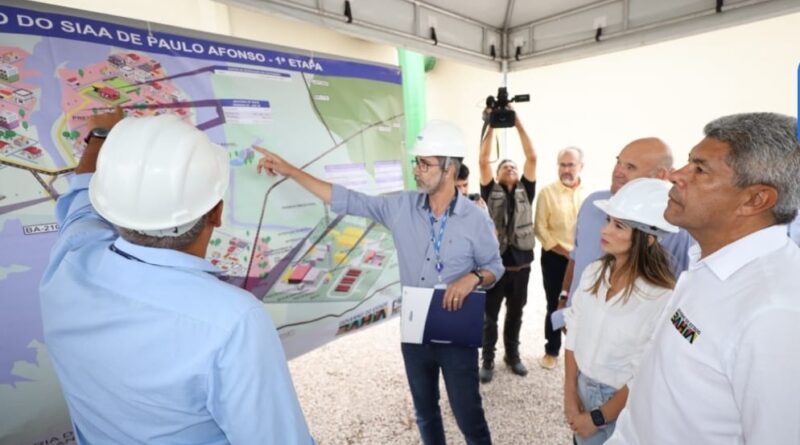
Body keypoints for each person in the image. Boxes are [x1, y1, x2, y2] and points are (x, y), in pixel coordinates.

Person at [39, 111, 314, 444]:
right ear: (216, 212)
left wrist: (100, 135)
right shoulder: (234, 320)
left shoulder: (71, 260)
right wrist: (103, 136)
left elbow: (81, 201)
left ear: (109, 209)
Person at [254, 120, 504, 445]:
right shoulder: (400, 207)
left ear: (449, 169)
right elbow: (348, 199)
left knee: (468, 415)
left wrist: (473, 278)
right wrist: (290, 170)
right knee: (426, 413)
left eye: (424, 164)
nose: (416, 170)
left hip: (456, 333)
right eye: (416, 162)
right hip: (414, 333)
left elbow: (494, 266)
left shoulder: (476, 218)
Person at [608, 112, 800, 444]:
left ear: (755, 199)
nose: (675, 175)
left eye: (700, 169)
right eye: (688, 162)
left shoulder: (776, 314)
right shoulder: (710, 261)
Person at [552, 138, 694, 353]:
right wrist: (564, 301)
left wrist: (692, 344)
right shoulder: (591, 205)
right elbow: (576, 257)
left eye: (630, 167)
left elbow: (686, 321)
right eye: (618, 162)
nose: (617, 172)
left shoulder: (679, 228)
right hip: (579, 331)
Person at [563, 178, 677, 444]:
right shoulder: (593, 272)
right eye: (608, 221)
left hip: (620, 404)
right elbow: (574, 332)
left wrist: (598, 418)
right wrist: (569, 393)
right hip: (580, 387)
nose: (605, 230)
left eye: (618, 225)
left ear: (648, 239)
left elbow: (645, 372)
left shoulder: (660, 298)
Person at [478, 115, 538, 382]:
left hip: (521, 268)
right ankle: (487, 359)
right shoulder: (489, 190)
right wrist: (493, 123)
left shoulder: (527, 189)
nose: (510, 168)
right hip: (494, 268)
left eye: (513, 166)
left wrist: (517, 123)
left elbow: (532, 156)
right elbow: (483, 160)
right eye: (505, 166)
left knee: (516, 314)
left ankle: (512, 356)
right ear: (497, 174)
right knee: (489, 317)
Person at [534, 147, 584, 370]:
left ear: (581, 166)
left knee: (582, 303)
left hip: (582, 260)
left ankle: (579, 351)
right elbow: (540, 229)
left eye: (570, 165)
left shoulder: (588, 194)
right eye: (562, 165)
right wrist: (566, 252)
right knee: (555, 302)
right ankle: (551, 350)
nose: (566, 169)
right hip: (555, 258)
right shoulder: (547, 193)